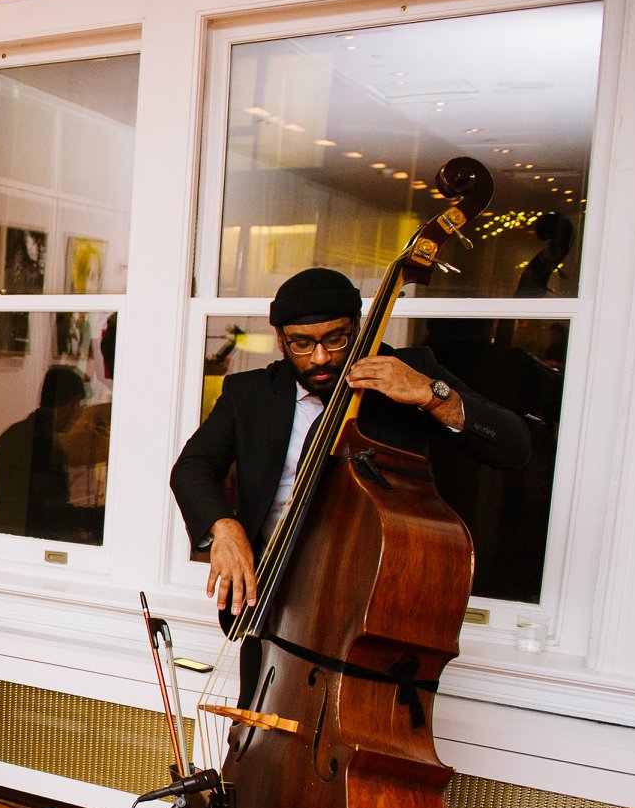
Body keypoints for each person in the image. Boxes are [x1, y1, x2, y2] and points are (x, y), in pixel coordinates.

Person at [170, 266, 530, 693]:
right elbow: (191, 468)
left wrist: (431, 394)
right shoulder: (248, 394)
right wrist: (225, 529)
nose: (319, 357)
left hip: (372, 618)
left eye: (335, 339)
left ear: (359, 328)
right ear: (281, 340)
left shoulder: (411, 371)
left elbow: (513, 446)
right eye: (302, 343)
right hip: (271, 606)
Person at [0, 364, 96, 541]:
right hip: (27, 543)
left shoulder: (12, 435)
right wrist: (95, 518)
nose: (79, 415)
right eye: (80, 407)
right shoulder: (47, 448)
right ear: (73, 402)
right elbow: (50, 516)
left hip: (0, 534)